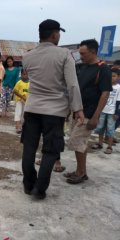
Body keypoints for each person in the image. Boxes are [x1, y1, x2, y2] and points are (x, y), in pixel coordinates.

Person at [21, 19, 84, 200]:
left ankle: (28, 184)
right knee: (50, 151)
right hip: (54, 111)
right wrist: (77, 109)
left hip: (32, 109)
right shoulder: (65, 54)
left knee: (29, 148)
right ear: (55, 34)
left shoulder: (28, 56)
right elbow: (72, 85)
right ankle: (39, 189)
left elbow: (29, 77)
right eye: (59, 33)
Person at [66, 39, 112, 184]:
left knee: (76, 141)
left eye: (83, 53)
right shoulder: (83, 67)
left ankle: (80, 172)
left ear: (93, 52)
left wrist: (95, 117)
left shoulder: (103, 69)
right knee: (80, 144)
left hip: (89, 113)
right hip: (77, 111)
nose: (81, 56)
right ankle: (81, 171)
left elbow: (105, 94)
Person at [91, 69, 120, 154]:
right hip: (103, 111)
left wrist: (116, 113)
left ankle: (109, 146)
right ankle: (100, 143)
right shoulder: (104, 85)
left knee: (110, 129)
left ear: (118, 77)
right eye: (110, 76)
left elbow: (118, 101)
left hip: (112, 112)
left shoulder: (118, 88)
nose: (112, 78)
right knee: (100, 127)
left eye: (114, 76)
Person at [13, 69, 29, 133]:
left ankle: (23, 126)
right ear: (21, 75)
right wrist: (22, 97)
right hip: (19, 100)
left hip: (26, 101)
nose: (25, 76)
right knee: (18, 113)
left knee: (24, 114)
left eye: (26, 74)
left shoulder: (30, 83)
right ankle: (17, 126)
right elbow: (14, 91)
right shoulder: (19, 82)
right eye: (23, 74)